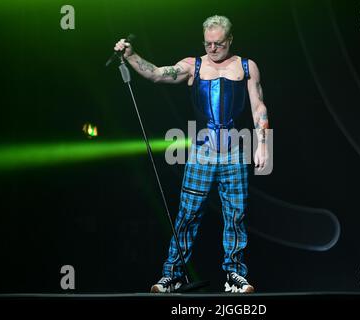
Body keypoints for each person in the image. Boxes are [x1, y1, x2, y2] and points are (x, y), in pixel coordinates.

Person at [114, 15, 270, 293]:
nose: (213, 49)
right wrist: (132, 55)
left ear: (230, 40)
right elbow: (158, 74)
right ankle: (172, 274)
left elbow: (259, 106)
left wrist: (262, 143)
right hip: (201, 151)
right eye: (208, 43)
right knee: (188, 214)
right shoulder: (193, 66)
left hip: (234, 150)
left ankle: (234, 273)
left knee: (236, 214)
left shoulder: (246, 67)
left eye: (218, 44)